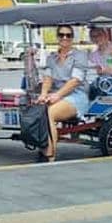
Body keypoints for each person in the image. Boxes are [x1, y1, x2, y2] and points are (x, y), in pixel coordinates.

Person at [36, 25, 89, 162]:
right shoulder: (51, 57)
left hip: (76, 95)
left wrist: (57, 95)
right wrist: (43, 94)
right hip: (58, 94)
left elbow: (75, 80)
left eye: (68, 35)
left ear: (72, 38)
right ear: (57, 37)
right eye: (61, 35)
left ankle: (50, 155)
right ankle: (43, 146)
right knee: (40, 110)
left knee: (50, 113)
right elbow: (47, 78)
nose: (64, 38)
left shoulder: (80, 55)